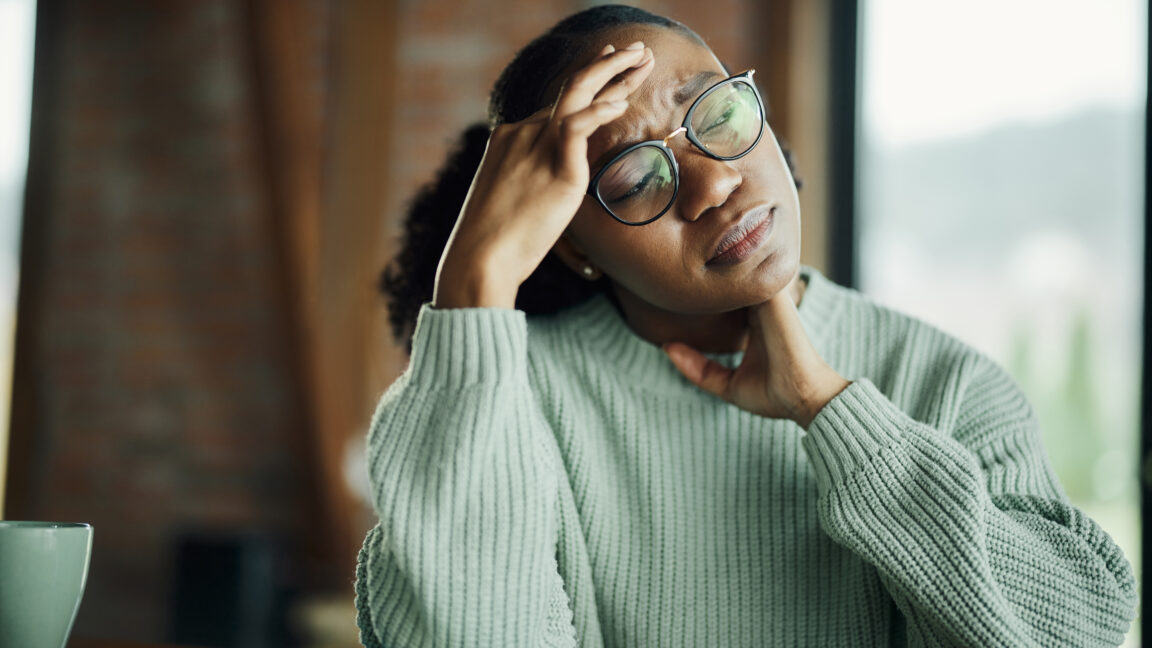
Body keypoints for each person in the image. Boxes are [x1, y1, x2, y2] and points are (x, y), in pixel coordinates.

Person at [355, 5, 1138, 647]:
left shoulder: (945, 383)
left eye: (718, 112)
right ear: (573, 245)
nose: (716, 180)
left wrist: (837, 415)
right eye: (632, 175)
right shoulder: (496, 408)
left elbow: (1081, 635)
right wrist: (474, 284)